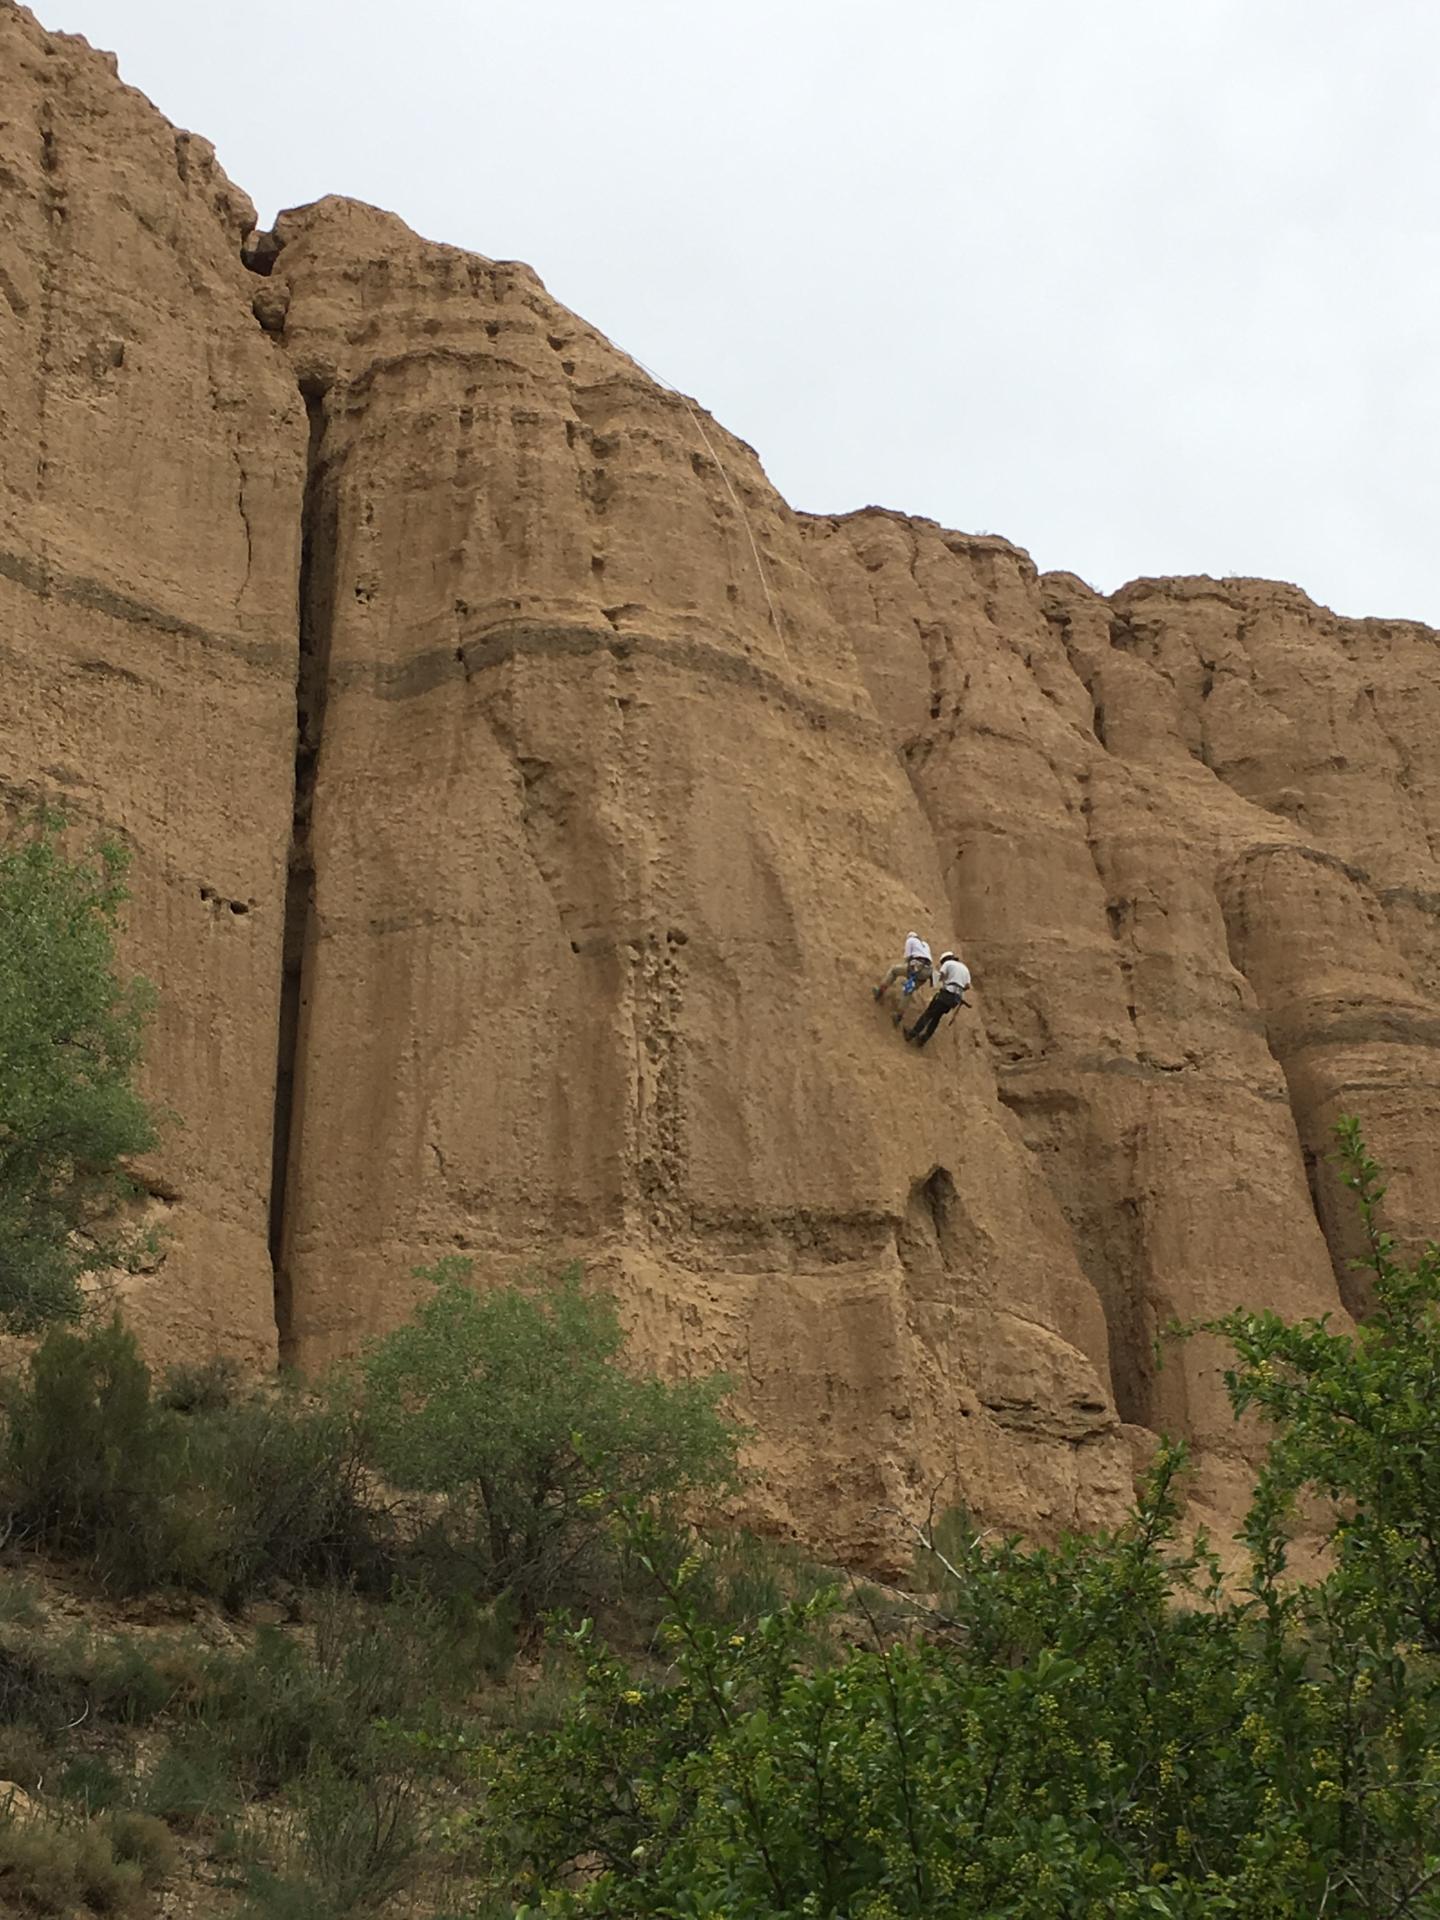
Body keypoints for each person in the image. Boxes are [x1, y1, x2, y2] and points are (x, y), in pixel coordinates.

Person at [905, 950, 971, 1049]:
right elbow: (967, 986)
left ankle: (912, 1034)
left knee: (929, 1013)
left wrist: (943, 983)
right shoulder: (965, 969)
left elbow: (941, 976)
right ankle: (923, 1040)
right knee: (936, 1017)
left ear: (945, 960)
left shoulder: (948, 963)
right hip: (955, 1000)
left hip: (946, 994)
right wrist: (959, 989)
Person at [873, 931, 933, 1008]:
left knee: (894, 971)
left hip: (917, 966)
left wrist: (905, 969)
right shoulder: (925, 945)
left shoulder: (910, 940)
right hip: (928, 971)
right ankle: (898, 1014)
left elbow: (907, 957)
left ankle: (880, 991)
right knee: (909, 990)